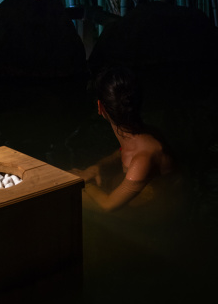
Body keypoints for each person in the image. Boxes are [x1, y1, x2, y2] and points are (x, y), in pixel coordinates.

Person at [71, 65, 175, 212]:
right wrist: (97, 168)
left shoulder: (143, 159)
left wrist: (83, 182)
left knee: (66, 192)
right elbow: (120, 153)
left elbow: (108, 205)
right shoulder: (146, 135)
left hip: (156, 212)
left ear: (100, 107)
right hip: (148, 196)